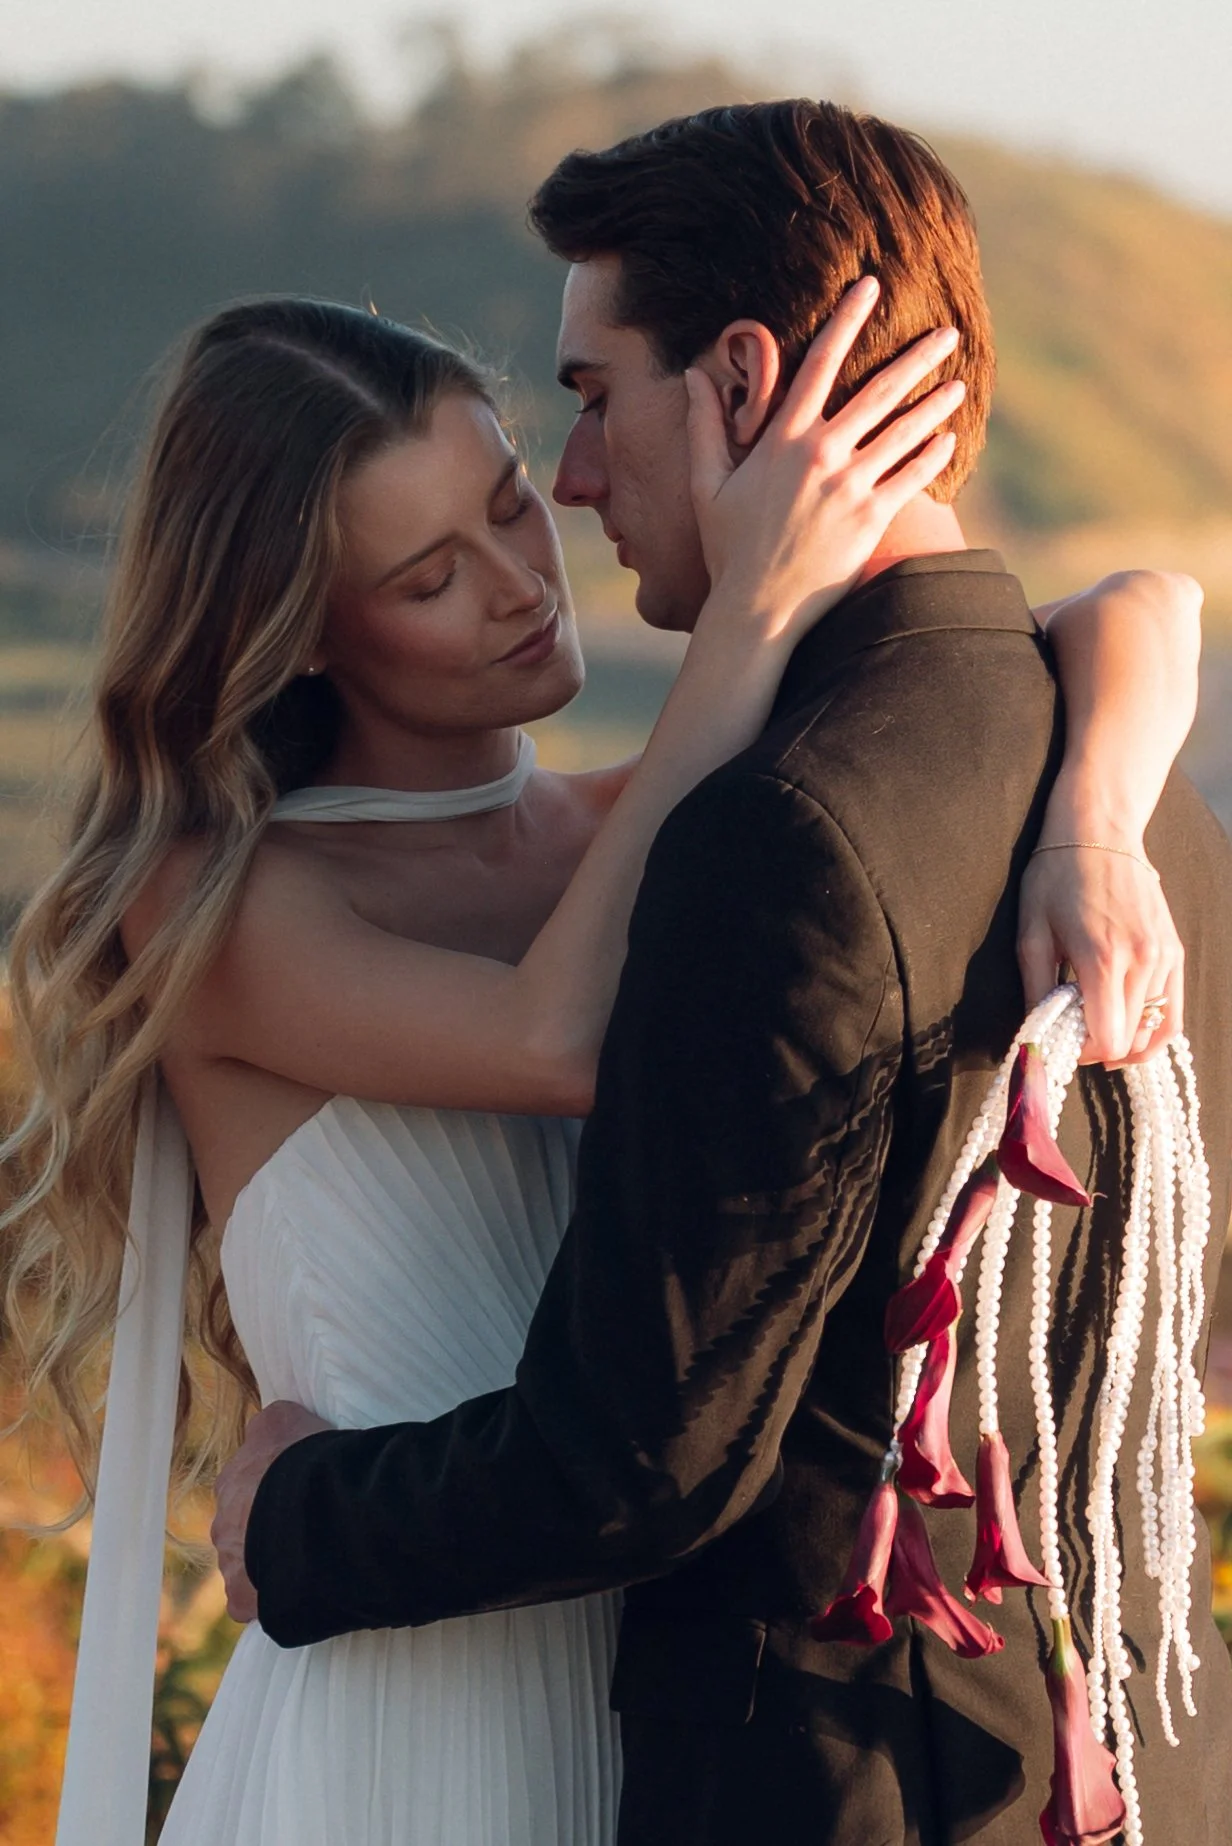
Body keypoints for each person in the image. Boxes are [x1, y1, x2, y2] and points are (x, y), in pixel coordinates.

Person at [207, 102, 1232, 1845]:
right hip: (1135, 1750)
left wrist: (292, 1520)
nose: (580, 481)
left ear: (743, 382)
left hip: (837, 1786)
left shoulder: (776, 838)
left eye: (591, 402)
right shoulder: (1099, 771)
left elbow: (643, 1459)